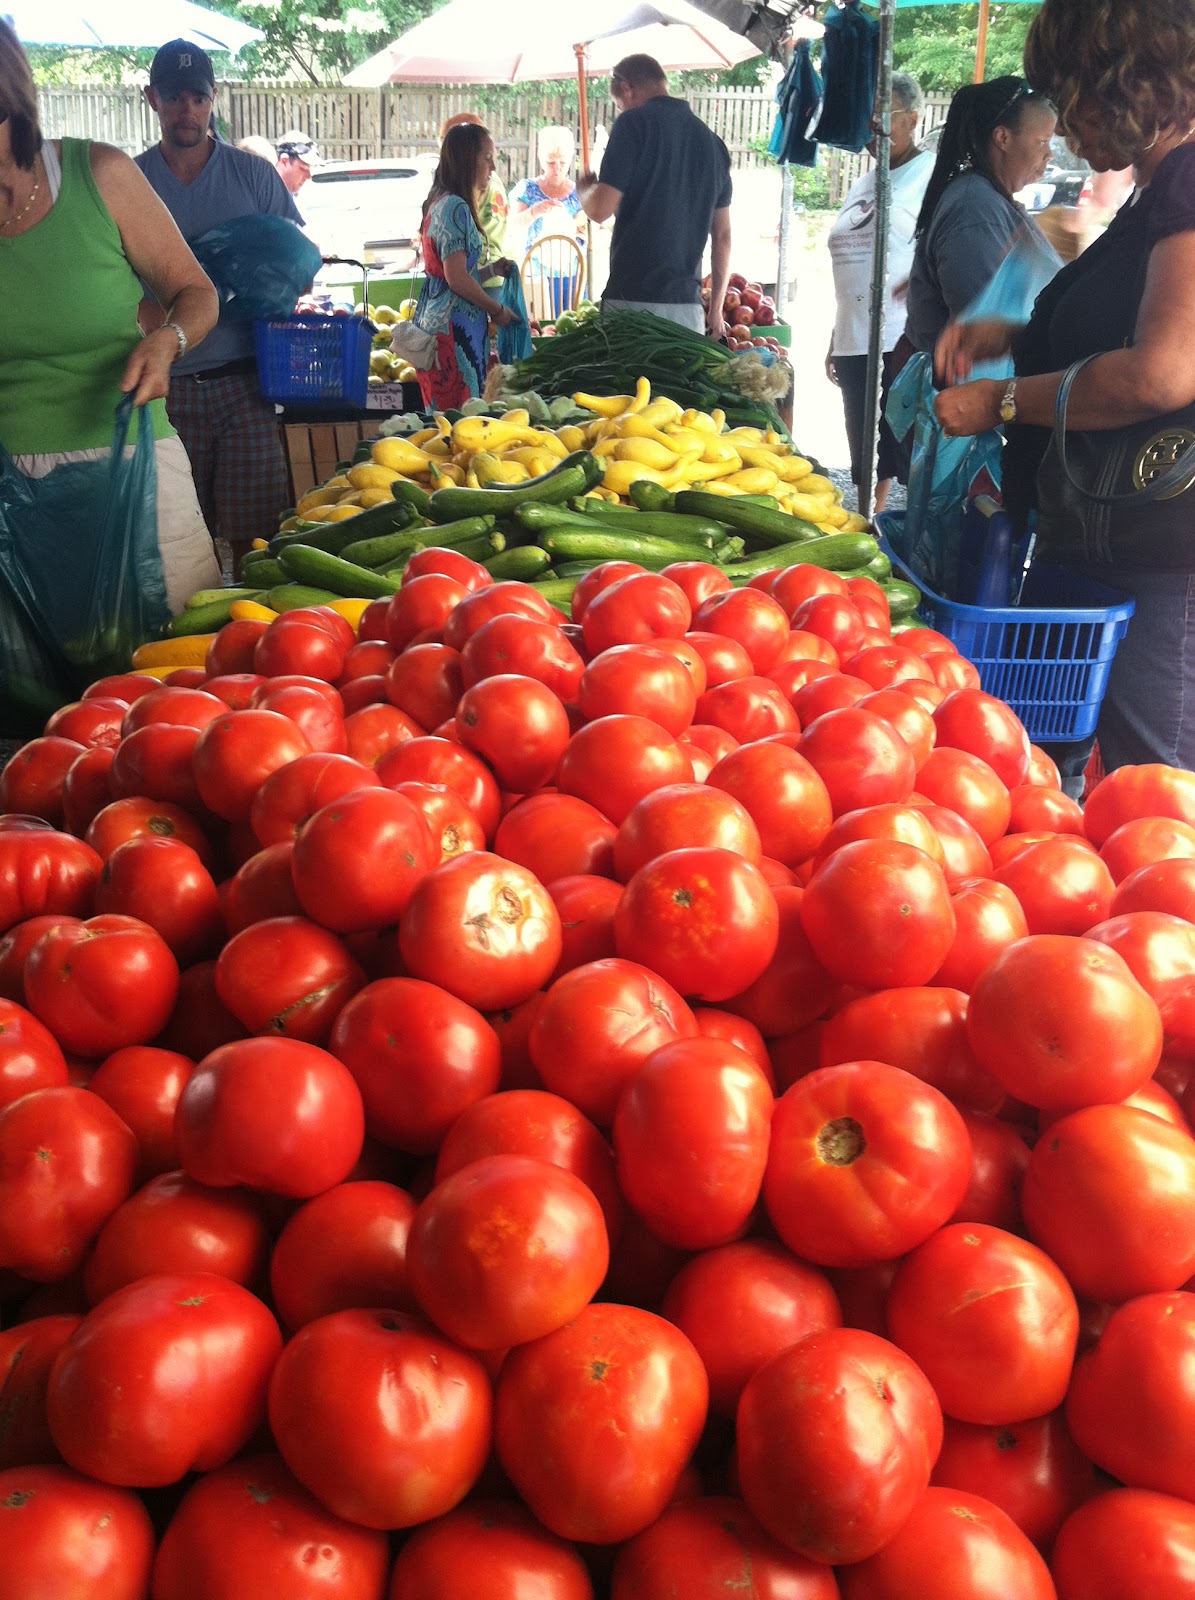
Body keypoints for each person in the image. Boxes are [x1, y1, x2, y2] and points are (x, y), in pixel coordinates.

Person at [935, 0, 1195, 779]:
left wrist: (998, 401)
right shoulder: (1153, 189)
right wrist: (1005, 329)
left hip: (1163, 555)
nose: (1057, 120)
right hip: (1113, 545)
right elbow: (1116, 315)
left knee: (1157, 800)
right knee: (1119, 792)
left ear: (1130, 84)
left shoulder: (1185, 179)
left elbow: (1162, 370)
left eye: (1069, 91)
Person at [0, 22, 220, 629]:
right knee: (38, 710)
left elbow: (196, 293)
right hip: (9, 499)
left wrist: (168, 340)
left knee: (174, 677)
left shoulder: (99, 174)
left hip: (135, 470)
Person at [136, 40, 302, 572]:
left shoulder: (252, 177)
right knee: (177, 543)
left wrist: (243, 287)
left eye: (198, 97)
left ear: (213, 101)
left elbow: (293, 263)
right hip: (164, 390)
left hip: (244, 386)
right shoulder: (130, 182)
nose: (187, 109)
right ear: (151, 99)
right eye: (173, 96)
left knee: (260, 540)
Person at [827, 72, 933, 511]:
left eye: (881, 115)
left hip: (899, 338)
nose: (872, 126)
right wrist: (836, 335)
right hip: (855, 335)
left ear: (911, 119)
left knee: (900, 450)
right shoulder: (865, 182)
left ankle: (894, 532)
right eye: (867, 117)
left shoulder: (930, 177)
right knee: (865, 451)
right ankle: (871, 521)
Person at [577, 54, 732, 338]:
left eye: (618, 104)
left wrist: (585, 188)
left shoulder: (632, 124)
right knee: (677, 384)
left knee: (628, 385)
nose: (621, 110)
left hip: (632, 301)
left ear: (626, 89)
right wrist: (716, 310)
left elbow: (600, 209)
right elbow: (723, 237)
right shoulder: (713, 144)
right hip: (687, 307)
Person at [904, 77, 1058, 359]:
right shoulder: (973, 209)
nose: (1049, 154)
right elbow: (985, 326)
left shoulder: (988, 199)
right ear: (1003, 138)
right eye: (1042, 141)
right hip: (967, 390)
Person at [409, 122, 516, 411]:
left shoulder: (438, 201)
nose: (492, 167)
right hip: (453, 336)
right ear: (468, 160)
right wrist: (496, 310)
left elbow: (451, 277)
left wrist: (491, 270)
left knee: (444, 422)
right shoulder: (455, 207)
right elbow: (456, 279)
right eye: (487, 158)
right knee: (461, 422)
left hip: (439, 325)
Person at [440, 111, 508, 275]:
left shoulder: (484, 185)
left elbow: (460, 274)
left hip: (483, 279)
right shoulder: (455, 194)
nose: (493, 166)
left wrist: (489, 272)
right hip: (484, 277)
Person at [511, 126, 586, 253]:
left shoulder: (580, 194)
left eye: (562, 162)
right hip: (533, 270)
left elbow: (596, 234)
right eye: (551, 162)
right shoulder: (527, 189)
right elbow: (512, 227)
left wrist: (582, 227)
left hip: (573, 270)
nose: (557, 168)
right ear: (541, 159)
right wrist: (534, 212)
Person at [275, 130, 321, 201]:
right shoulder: (264, 196)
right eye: (303, 169)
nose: (308, 176)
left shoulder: (296, 198)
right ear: (284, 162)